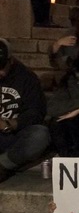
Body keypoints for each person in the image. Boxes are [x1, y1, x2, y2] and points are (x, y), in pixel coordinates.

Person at [0, 39, 50, 183]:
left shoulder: (27, 78)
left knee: (40, 135)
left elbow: (36, 113)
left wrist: (10, 124)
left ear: (11, 61)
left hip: (14, 134)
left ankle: (3, 164)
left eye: (2, 67)